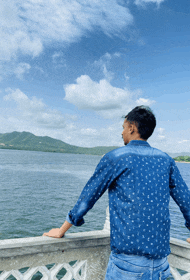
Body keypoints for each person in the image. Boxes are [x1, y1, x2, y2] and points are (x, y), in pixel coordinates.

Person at [43, 106, 190, 280]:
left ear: (132, 128)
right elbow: (186, 201)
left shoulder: (116, 157)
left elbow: (88, 197)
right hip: (161, 265)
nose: (121, 133)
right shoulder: (166, 160)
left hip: (127, 266)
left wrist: (62, 229)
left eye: (123, 127)